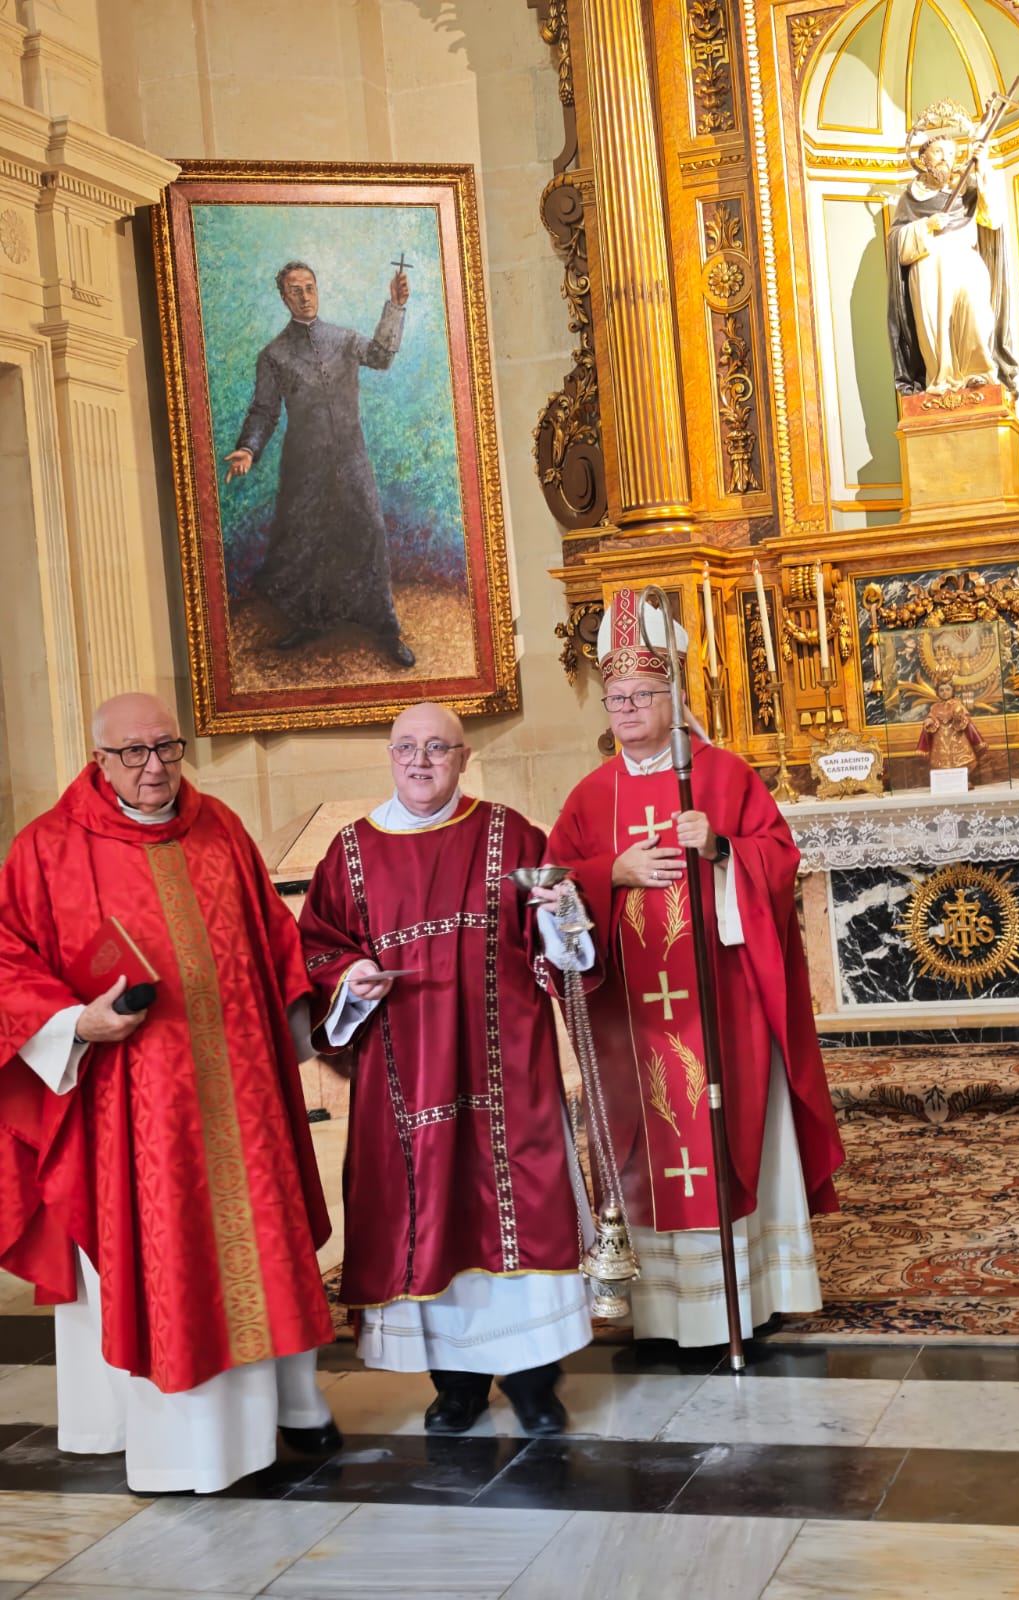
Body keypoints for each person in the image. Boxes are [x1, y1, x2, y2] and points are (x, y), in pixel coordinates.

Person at [0, 694, 337, 1494]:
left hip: (243, 1094)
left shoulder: (219, 827)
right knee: (163, 1253)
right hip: (130, 1108)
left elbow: (274, 939)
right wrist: (75, 1024)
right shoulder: (46, 847)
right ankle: (179, 1451)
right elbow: (7, 958)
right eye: (133, 752)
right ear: (99, 759)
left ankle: (286, 1410)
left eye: (167, 747)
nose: (154, 767)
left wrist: (321, 1007)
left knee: (262, 1240)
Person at [547, 588, 845, 1347]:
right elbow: (550, 893)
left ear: (672, 697)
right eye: (615, 698)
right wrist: (609, 874)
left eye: (641, 695)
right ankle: (660, 1308)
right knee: (644, 1143)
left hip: (721, 1010)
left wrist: (720, 849)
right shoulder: (589, 797)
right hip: (633, 1023)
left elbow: (778, 860)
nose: (626, 709)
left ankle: (747, 1296)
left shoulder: (723, 775)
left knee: (726, 1135)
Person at [299, 702, 592, 1436]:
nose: (420, 761)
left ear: (463, 758)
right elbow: (318, 948)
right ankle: (455, 1386)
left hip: (507, 1073)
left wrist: (560, 909)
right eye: (406, 747)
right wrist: (351, 978)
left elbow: (558, 942)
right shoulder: (350, 851)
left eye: (437, 748)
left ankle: (534, 1385)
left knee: (518, 1211)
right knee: (426, 1217)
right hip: (403, 1081)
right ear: (389, 756)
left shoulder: (508, 834)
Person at [223, 260, 417, 667]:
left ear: (317, 289)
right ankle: (312, 621)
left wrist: (395, 307)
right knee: (308, 542)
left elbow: (381, 356)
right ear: (283, 297)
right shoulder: (273, 355)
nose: (304, 296)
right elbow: (263, 411)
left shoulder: (343, 339)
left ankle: (385, 628)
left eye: (309, 287)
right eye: (295, 290)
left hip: (351, 457)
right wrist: (249, 449)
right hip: (304, 465)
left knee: (368, 532)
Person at [886, 114, 1017, 397]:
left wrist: (983, 167)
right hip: (929, 269)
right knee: (936, 327)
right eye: (938, 152)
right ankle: (942, 378)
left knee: (975, 312)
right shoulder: (911, 198)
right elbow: (897, 245)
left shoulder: (967, 191)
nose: (945, 158)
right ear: (924, 159)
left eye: (950, 152)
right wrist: (926, 225)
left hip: (965, 262)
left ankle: (978, 373)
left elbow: (994, 218)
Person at [918, 675, 988, 778]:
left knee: (962, 760)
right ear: (937, 692)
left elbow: (966, 719)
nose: (944, 692)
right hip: (940, 740)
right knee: (940, 763)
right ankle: (946, 779)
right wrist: (930, 721)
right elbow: (932, 717)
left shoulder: (957, 705)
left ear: (952, 691)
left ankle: (962, 779)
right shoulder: (935, 707)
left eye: (947, 689)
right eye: (941, 690)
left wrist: (959, 718)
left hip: (957, 739)